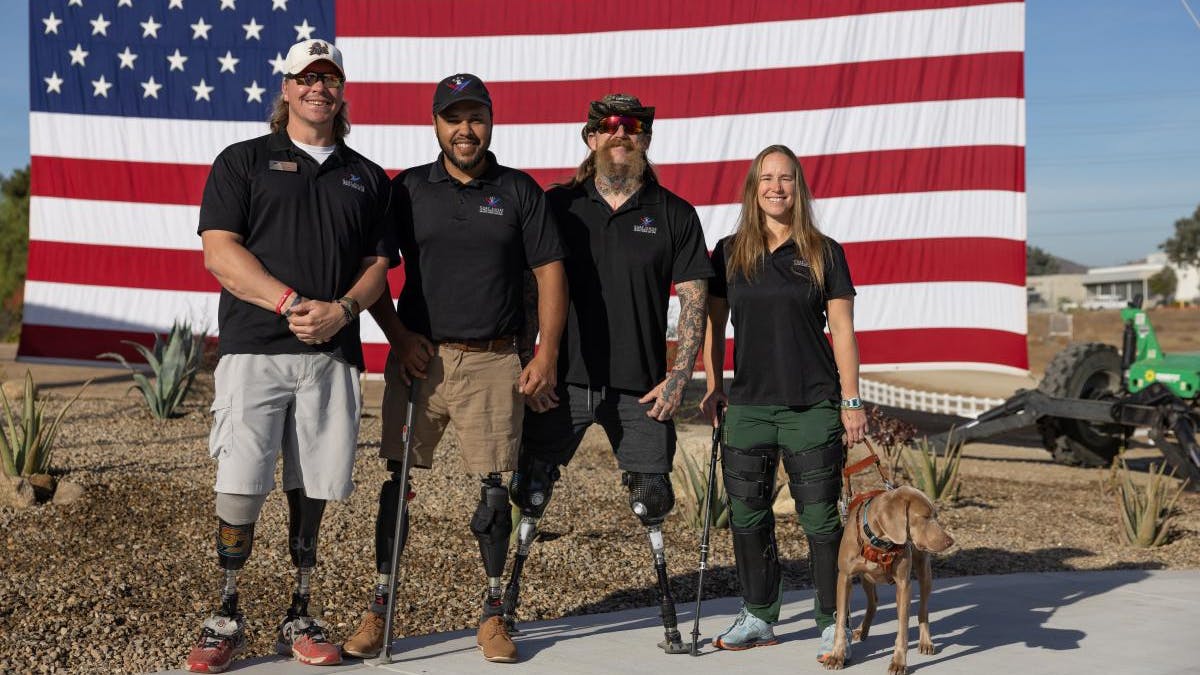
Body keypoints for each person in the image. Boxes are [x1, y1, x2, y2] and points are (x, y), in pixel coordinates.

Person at [341, 74, 567, 664]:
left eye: (476, 118)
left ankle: (493, 614)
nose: (465, 130)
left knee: (494, 492)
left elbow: (550, 273)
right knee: (396, 485)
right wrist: (397, 336)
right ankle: (380, 607)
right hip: (421, 361)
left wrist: (545, 354)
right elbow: (373, 267)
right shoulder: (408, 189)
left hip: (493, 360)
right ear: (436, 124)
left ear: (490, 122)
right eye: (453, 118)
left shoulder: (518, 190)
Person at [186, 39, 394, 672]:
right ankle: (226, 613)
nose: (317, 88)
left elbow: (378, 266)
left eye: (329, 79)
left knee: (314, 486)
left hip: (332, 355)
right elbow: (219, 251)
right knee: (240, 484)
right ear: (286, 88)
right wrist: (290, 302)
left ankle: (299, 613)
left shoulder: (366, 176)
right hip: (255, 348)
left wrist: (343, 310)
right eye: (307, 77)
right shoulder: (243, 161)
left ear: (342, 91)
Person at [503, 94, 712, 653]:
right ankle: (503, 607)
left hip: (639, 388)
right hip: (562, 381)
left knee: (652, 499)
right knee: (531, 490)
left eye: (633, 126)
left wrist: (679, 377)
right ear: (591, 137)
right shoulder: (557, 206)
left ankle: (669, 619)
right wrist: (529, 363)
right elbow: (528, 292)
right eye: (609, 126)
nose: (622, 134)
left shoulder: (673, 213)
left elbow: (693, 298)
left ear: (646, 139)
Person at [698, 145, 868, 661]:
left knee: (820, 521)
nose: (776, 187)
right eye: (767, 178)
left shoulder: (824, 252)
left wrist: (851, 400)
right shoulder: (729, 252)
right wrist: (713, 385)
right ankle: (759, 615)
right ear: (754, 189)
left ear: (799, 187)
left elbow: (843, 331)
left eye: (786, 178)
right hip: (748, 407)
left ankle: (831, 619)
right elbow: (713, 326)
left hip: (812, 406)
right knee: (748, 517)